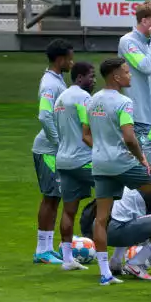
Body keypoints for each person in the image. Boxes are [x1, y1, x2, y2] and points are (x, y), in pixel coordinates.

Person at [85, 58, 151, 286]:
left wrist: (101, 149)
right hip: (124, 163)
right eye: (126, 72)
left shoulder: (92, 100)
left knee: (102, 218)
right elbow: (129, 137)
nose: (130, 76)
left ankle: (106, 272)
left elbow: (85, 134)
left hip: (100, 164)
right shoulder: (124, 102)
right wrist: (142, 158)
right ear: (116, 77)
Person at [31, 39, 74, 265]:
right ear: (60, 59)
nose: (72, 62)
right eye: (69, 58)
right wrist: (59, 143)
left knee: (55, 197)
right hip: (48, 150)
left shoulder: (56, 80)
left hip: (52, 148)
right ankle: (42, 250)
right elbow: (44, 115)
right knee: (50, 198)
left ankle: (47, 247)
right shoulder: (50, 84)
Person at [53, 61, 96, 271]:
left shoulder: (60, 98)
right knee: (119, 193)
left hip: (63, 160)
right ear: (80, 78)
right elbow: (87, 132)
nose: (94, 81)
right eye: (91, 76)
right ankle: (121, 251)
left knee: (69, 210)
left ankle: (67, 259)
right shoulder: (83, 98)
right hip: (84, 160)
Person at [118, 2, 151, 172]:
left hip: (149, 116)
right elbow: (146, 66)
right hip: (137, 117)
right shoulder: (128, 42)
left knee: (142, 170)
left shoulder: (145, 43)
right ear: (144, 21)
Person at [109, 186, 151, 281]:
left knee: (127, 219)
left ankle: (115, 262)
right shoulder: (148, 194)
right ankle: (134, 264)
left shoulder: (129, 186)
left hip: (103, 233)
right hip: (118, 231)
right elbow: (147, 233)